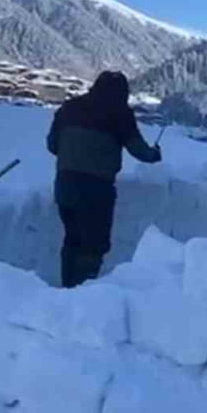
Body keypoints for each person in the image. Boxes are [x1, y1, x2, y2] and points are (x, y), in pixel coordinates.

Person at [47, 70, 161, 287]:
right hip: (96, 188)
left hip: (64, 185)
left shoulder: (69, 107)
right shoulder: (119, 112)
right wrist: (154, 154)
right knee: (94, 244)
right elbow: (138, 150)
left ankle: (67, 288)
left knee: (72, 239)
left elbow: (52, 145)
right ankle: (82, 294)